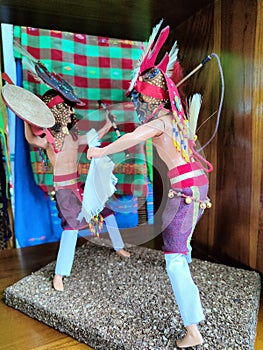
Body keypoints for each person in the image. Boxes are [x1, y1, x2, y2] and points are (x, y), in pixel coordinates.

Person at [87, 22, 215, 348]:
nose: (136, 106)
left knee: (173, 258)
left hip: (185, 190)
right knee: (181, 249)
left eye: (138, 100)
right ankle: (185, 271)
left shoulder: (160, 122)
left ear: (148, 98)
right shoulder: (177, 119)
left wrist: (100, 149)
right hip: (197, 184)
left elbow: (132, 136)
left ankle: (194, 330)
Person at [24, 89, 130, 292]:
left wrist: (108, 123)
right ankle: (59, 274)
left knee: (106, 212)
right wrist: (25, 119)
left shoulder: (73, 137)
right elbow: (31, 140)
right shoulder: (49, 139)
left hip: (79, 186)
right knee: (71, 229)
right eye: (66, 109)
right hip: (64, 191)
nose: (71, 113)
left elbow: (93, 139)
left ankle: (119, 247)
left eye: (70, 110)